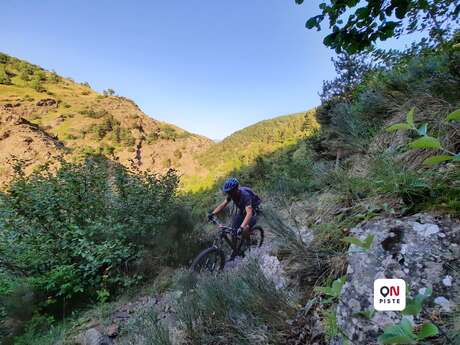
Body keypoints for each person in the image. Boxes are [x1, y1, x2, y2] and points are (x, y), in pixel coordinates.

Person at [208, 177, 262, 258]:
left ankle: (249, 242)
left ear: (236, 189)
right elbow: (223, 204)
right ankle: (235, 250)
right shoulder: (232, 194)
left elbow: (249, 213)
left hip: (254, 211)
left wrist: (241, 227)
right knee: (233, 230)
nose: (229, 194)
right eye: (227, 192)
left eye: (230, 192)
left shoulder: (245, 195)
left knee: (245, 228)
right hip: (243, 210)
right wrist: (213, 213)